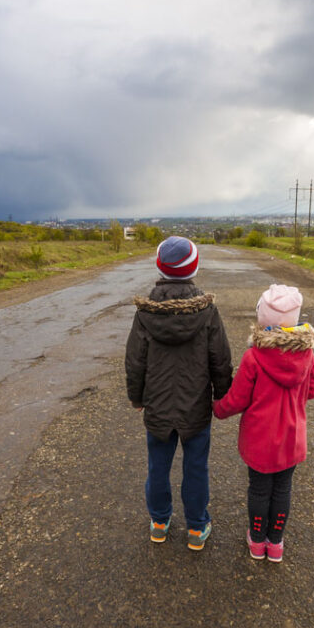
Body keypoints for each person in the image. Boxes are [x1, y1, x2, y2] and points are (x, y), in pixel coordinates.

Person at [125, 236, 233, 551]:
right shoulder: (207, 310)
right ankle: (197, 527)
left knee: (158, 465)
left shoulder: (146, 312)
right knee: (196, 466)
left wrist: (137, 397)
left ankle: (159, 522)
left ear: (160, 267)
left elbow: (135, 361)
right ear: (194, 267)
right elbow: (220, 358)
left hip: (157, 406)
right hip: (195, 405)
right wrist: (221, 395)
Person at [213, 284, 314, 563]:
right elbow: (311, 391)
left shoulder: (254, 357)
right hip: (292, 438)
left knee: (259, 489)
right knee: (282, 489)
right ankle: (276, 544)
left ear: (262, 316)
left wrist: (217, 409)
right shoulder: (307, 354)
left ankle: (257, 542)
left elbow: (237, 399)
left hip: (259, 440)